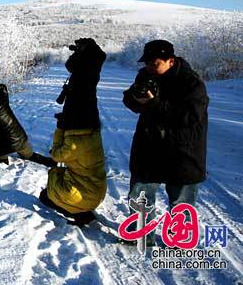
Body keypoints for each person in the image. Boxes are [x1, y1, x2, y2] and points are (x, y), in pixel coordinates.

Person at [122, 39, 208, 244]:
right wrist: (134, 97)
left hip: (182, 150)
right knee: (140, 195)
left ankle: (180, 239)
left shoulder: (191, 83)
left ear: (171, 60)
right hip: (149, 146)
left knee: (181, 201)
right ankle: (140, 235)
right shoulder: (145, 75)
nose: (149, 67)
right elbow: (130, 100)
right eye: (147, 63)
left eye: (155, 63)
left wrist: (154, 104)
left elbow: (189, 116)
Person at [39, 38, 107, 226]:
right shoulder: (92, 69)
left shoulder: (85, 69)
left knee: (49, 188)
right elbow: (98, 57)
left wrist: (61, 129)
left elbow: (56, 155)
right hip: (85, 115)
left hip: (79, 112)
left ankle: (75, 210)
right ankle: (76, 206)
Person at [0, 83, 56, 167]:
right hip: (21, 140)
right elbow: (3, 88)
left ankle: (1, 159)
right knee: (31, 156)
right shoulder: (3, 103)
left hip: (6, 145)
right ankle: (53, 163)